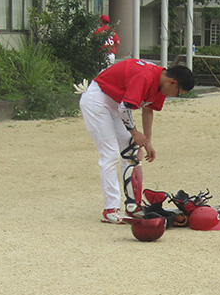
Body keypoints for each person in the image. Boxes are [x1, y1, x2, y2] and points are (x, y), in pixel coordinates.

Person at [78, 59, 195, 224]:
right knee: (110, 154)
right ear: (172, 82)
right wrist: (134, 132)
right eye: (177, 92)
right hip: (97, 99)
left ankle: (133, 206)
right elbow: (124, 108)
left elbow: (148, 110)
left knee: (132, 153)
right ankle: (110, 209)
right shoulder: (145, 77)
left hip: (116, 103)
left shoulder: (161, 84)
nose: (173, 96)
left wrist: (147, 141)